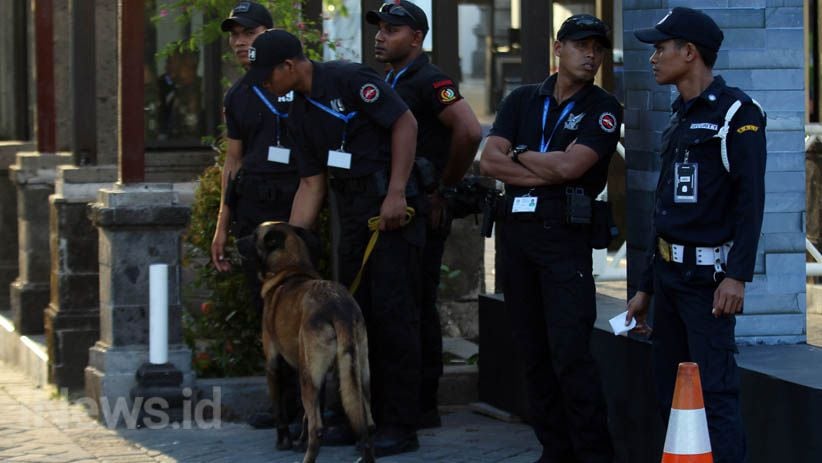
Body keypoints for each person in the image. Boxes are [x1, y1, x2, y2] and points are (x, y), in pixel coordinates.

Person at [243, 29, 425, 457]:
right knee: (354, 314)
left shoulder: (348, 79)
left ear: (289, 66)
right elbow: (311, 184)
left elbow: (405, 123)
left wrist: (397, 191)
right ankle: (352, 416)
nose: (263, 85)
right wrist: (289, 249)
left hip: (390, 209)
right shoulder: (299, 113)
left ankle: (400, 424)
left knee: (393, 316)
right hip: (351, 214)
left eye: (266, 76)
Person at [626, 7, 767, 463]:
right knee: (671, 392)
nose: (653, 57)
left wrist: (737, 275)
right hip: (668, 277)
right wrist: (646, 286)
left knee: (717, 396)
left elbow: (751, 201)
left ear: (689, 53)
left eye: (661, 48)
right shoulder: (680, 115)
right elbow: (664, 209)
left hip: (709, 285)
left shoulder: (737, 114)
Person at [479, 14, 620, 463]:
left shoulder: (602, 107)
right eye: (581, 45)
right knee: (532, 353)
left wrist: (519, 154)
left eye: (597, 47)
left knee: (570, 353)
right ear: (558, 48)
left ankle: (593, 454)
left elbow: (569, 168)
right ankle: (555, 451)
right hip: (516, 236)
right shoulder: (522, 99)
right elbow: (488, 161)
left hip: (563, 239)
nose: (591, 54)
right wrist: (538, 163)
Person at [366, 0, 482, 428]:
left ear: (416, 37)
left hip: (420, 207)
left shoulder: (430, 79)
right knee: (404, 304)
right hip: (402, 207)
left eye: (391, 29)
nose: (380, 35)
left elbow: (469, 130)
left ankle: (420, 404)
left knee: (414, 306)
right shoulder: (394, 78)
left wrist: (443, 188)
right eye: (379, 28)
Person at [210, 1, 300, 430]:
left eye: (249, 33)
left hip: (299, 207)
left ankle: (312, 402)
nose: (240, 42)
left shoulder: (299, 79)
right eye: (234, 35)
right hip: (254, 216)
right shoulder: (238, 95)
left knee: (303, 306)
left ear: (269, 34)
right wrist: (221, 226)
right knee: (265, 310)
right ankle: (280, 404)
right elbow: (233, 163)